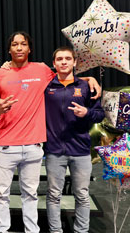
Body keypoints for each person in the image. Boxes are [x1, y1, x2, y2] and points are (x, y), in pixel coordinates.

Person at [0, 31, 101, 233]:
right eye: (15, 44)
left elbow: (65, 75)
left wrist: (89, 78)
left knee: (31, 194)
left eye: (23, 44)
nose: (19, 47)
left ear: (29, 48)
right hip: (5, 144)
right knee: (1, 194)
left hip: (33, 146)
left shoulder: (41, 69)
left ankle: (32, 230)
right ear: (9, 49)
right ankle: (1, 230)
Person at [44, 46, 104, 233]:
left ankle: (81, 231)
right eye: (59, 59)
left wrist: (86, 112)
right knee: (53, 195)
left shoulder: (85, 86)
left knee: (82, 195)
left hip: (80, 150)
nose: (64, 62)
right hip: (54, 150)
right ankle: (55, 231)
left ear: (74, 62)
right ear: (54, 63)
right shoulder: (46, 86)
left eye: (67, 58)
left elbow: (100, 114)